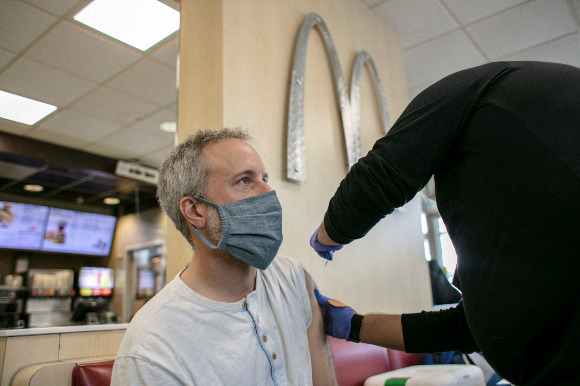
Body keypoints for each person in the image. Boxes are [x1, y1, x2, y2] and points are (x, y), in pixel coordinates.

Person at [310, 61, 580, 385]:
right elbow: (466, 328)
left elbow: (383, 172)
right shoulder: (531, 242)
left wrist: (329, 234)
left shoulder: (465, 92)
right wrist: (353, 326)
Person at [112, 128, 336, 385]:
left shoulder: (294, 279)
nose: (268, 192)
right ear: (195, 210)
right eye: (244, 180)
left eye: (265, 178)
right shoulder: (151, 348)